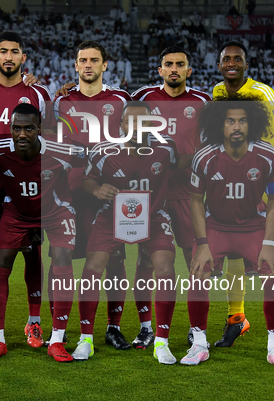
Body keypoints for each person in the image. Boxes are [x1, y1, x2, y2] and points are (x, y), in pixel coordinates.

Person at [72, 102, 186, 364]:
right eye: (131, 122)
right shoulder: (104, 151)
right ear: (121, 125)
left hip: (154, 216)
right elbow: (88, 179)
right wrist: (97, 190)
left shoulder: (165, 147)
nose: (137, 128)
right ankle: (86, 339)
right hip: (111, 216)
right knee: (94, 267)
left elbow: (182, 161)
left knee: (165, 267)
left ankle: (162, 342)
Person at [187, 95, 274, 370]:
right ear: (219, 125)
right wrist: (202, 243)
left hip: (252, 225)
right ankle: (199, 343)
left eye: (242, 121)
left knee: (273, 273)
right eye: (230, 121)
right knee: (198, 273)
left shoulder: (267, 154)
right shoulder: (205, 156)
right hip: (217, 226)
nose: (237, 126)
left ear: (252, 124)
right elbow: (196, 201)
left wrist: (269, 242)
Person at [0, 31, 53, 347]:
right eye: (3, 51)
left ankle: (34, 323)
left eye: (14, 52)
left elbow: (51, 133)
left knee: (34, 255)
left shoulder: (39, 93)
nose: (8, 57)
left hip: (27, 189)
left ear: (23, 58)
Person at [213, 41, 274, 355]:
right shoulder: (216, 94)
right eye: (226, 59)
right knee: (234, 251)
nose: (232, 63)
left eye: (237, 59)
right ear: (220, 64)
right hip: (228, 188)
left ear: (245, 64)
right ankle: (237, 318)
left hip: (263, 186)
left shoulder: (261, 92)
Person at [0, 103, 79, 362]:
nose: (22, 134)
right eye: (17, 128)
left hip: (56, 212)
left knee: (62, 260)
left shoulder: (61, 150)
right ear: (10, 128)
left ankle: (57, 340)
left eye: (29, 129)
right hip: (17, 212)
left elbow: (91, 157)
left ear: (39, 129)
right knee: (0, 263)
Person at [54, 40, 133, 350]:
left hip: (108, 193)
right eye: (82, 60)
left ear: (105, 65)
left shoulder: (122, 99)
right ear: (75, 66)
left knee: (113, 258)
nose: (88, 65)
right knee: (61, 258)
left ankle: (113, 327)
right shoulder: (60, 101)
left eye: (94, 60)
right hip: (69, 192)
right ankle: (59, 330)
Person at [131, 46, 211, 349]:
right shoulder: (142, 97)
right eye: (168, 64)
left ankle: (196, 328)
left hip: (188, 195)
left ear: (189, 70)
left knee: (196, 262)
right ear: (160, 70)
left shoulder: (203, 102)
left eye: (180, 64)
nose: (174, 69)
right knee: (145, 261)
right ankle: (146, 327)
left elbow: (211, 146)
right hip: (148, 193)